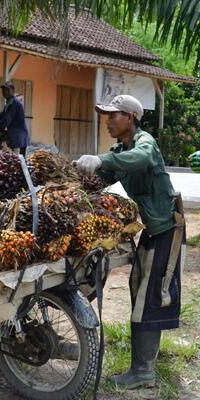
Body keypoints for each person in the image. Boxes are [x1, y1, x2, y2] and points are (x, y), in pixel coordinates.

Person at [75, 94, 184, 389]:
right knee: (139, 288)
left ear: (130, 118)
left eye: (114, 115)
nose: (108, 121)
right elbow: (101, 178)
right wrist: (78, 174)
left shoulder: (143, 142)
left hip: (165, 229)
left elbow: (141, 159)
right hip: (149, 229)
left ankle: (143, 372)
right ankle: (145, 362)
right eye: (106, 115)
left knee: (151, 294)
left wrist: (102, 159)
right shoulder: (120, 149)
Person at [0, 80, 29, 156]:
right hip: (15, 137)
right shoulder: (9, 102)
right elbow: (3, 114)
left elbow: (5, 122)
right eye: (3, 90)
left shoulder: (14, 103)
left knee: (18, 162)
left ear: (12, 91)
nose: (5, 92)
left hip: (18, 138)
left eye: (7, 90)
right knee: (15, 162)